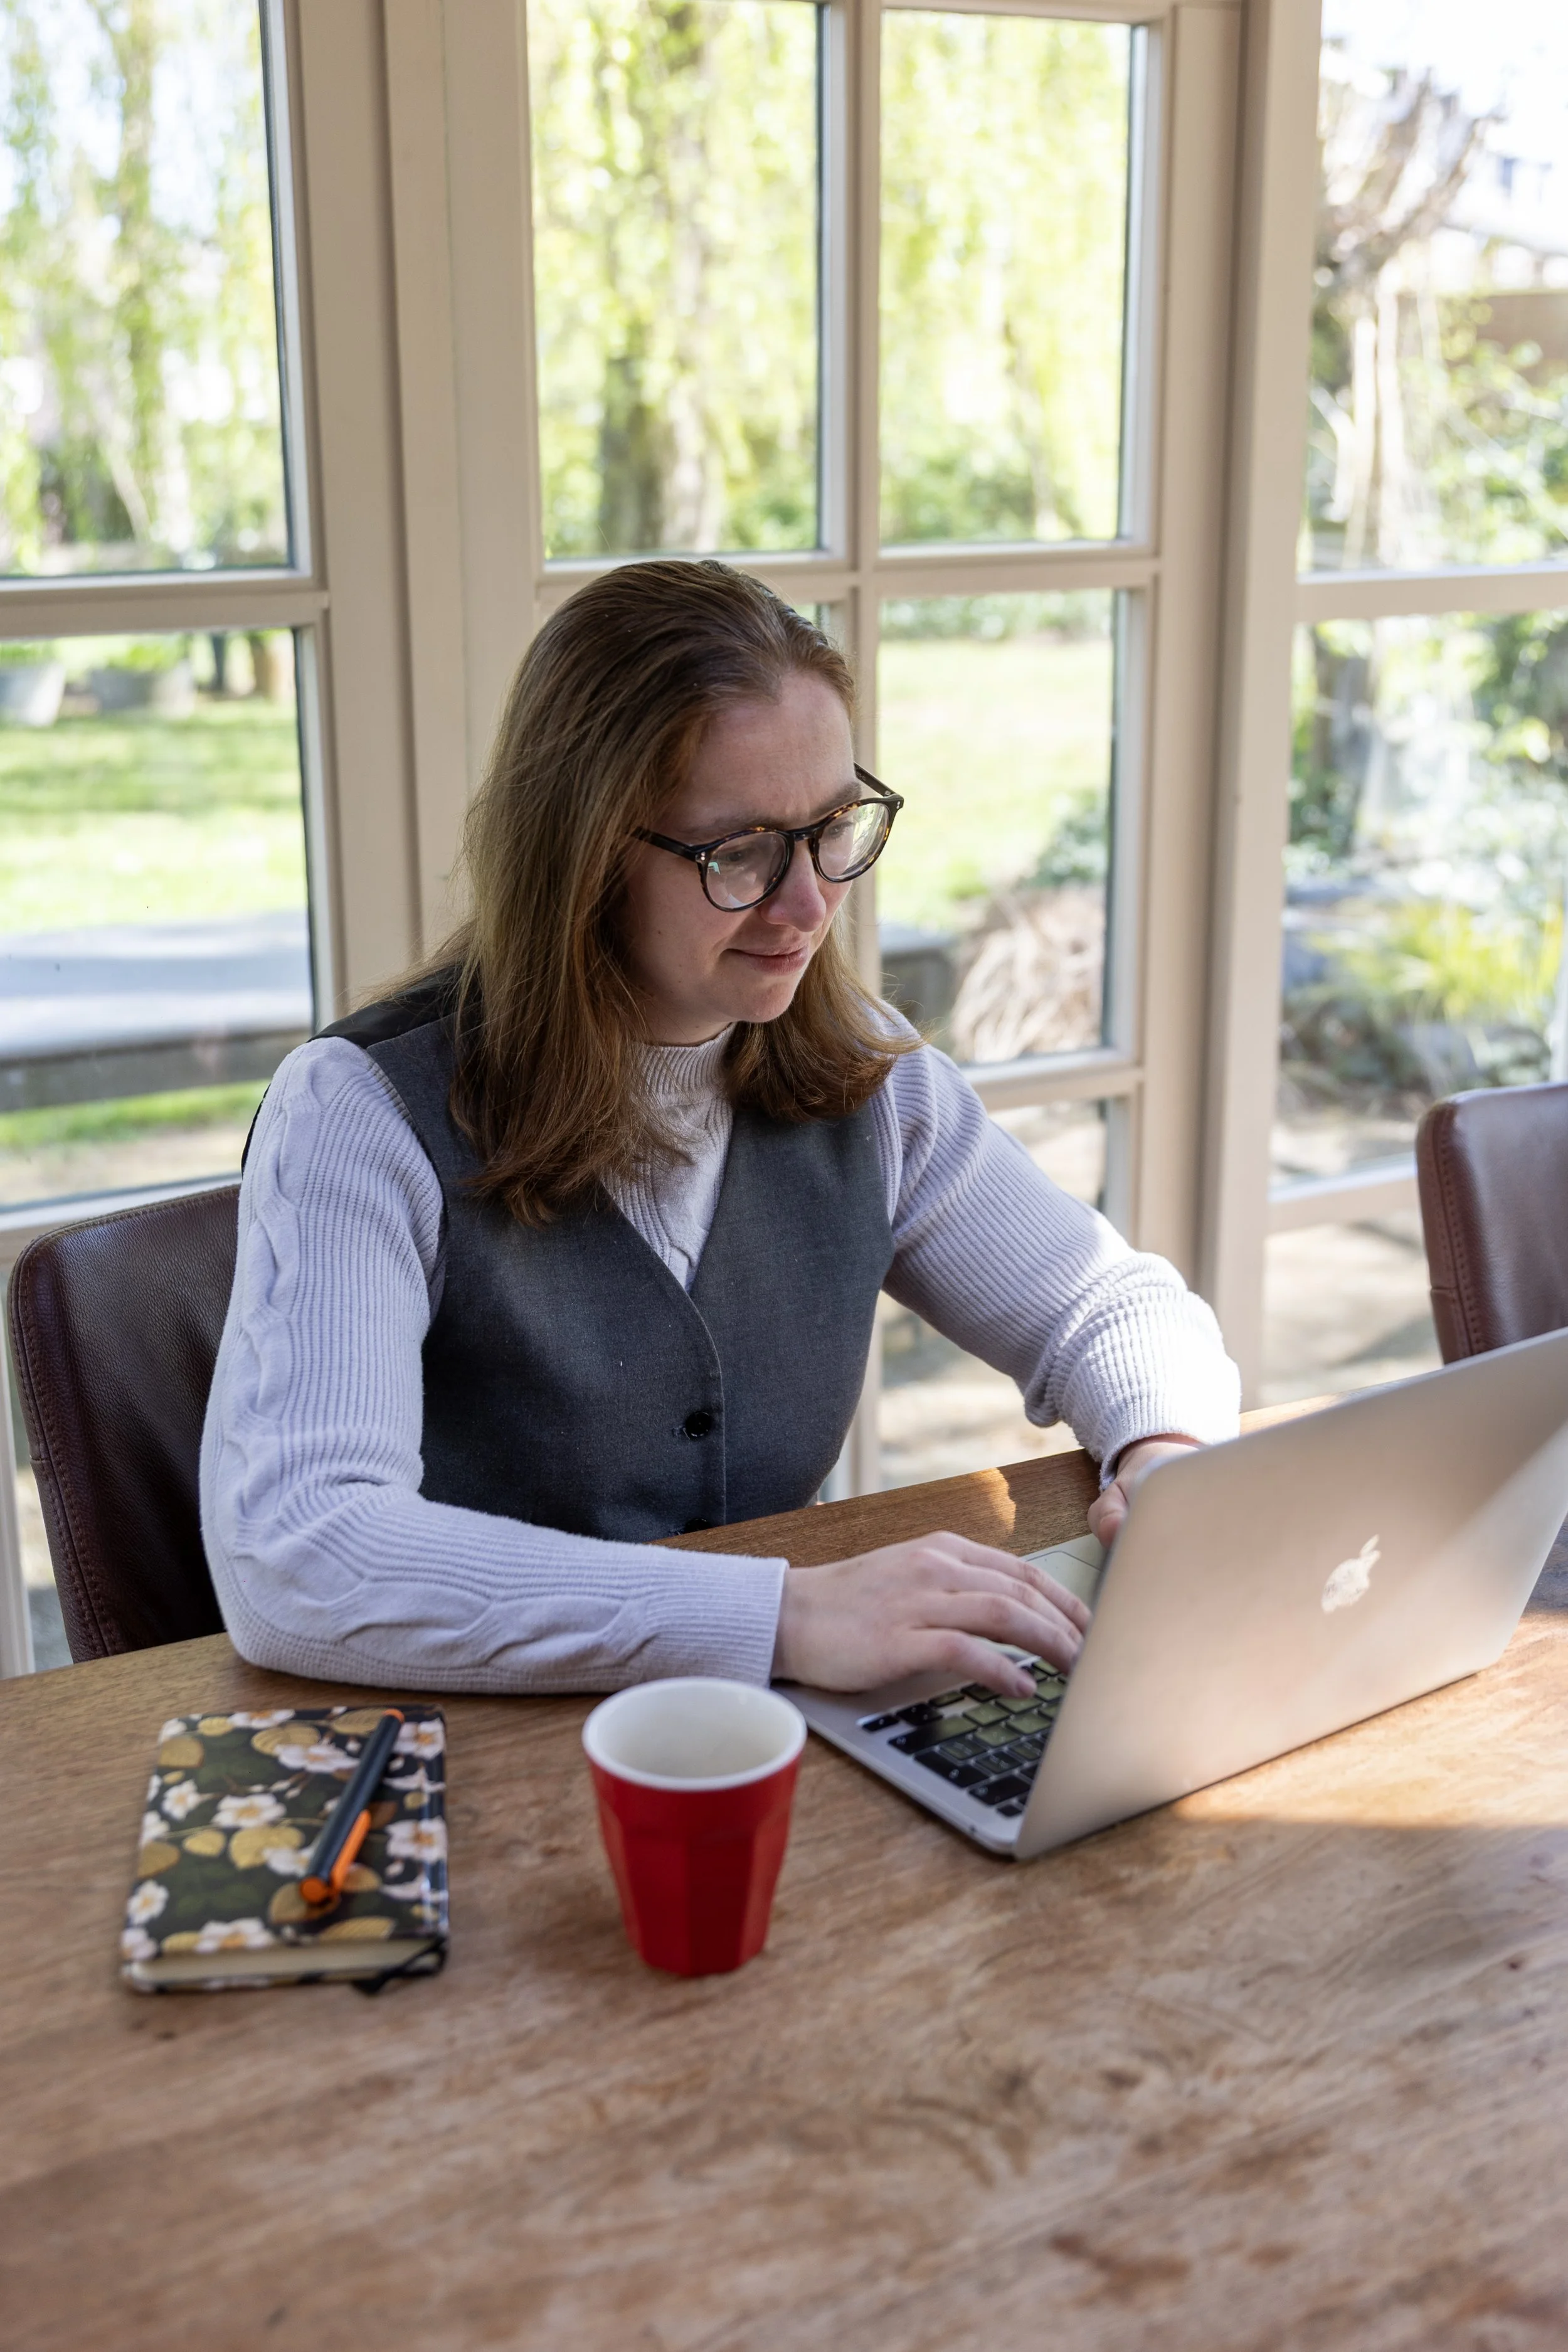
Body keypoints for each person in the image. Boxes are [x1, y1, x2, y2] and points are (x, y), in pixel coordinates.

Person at [201, 561, 1239, 1702]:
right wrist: (783, 1616)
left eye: (834, 825)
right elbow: (301, 1550)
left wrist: (1167, 1459)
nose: (809, 906)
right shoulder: (358, 1112)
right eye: (739, 850)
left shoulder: (867, 1074)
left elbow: (1106, 1301)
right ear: (585, 854)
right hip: (469, 1752)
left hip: (771, 1746)